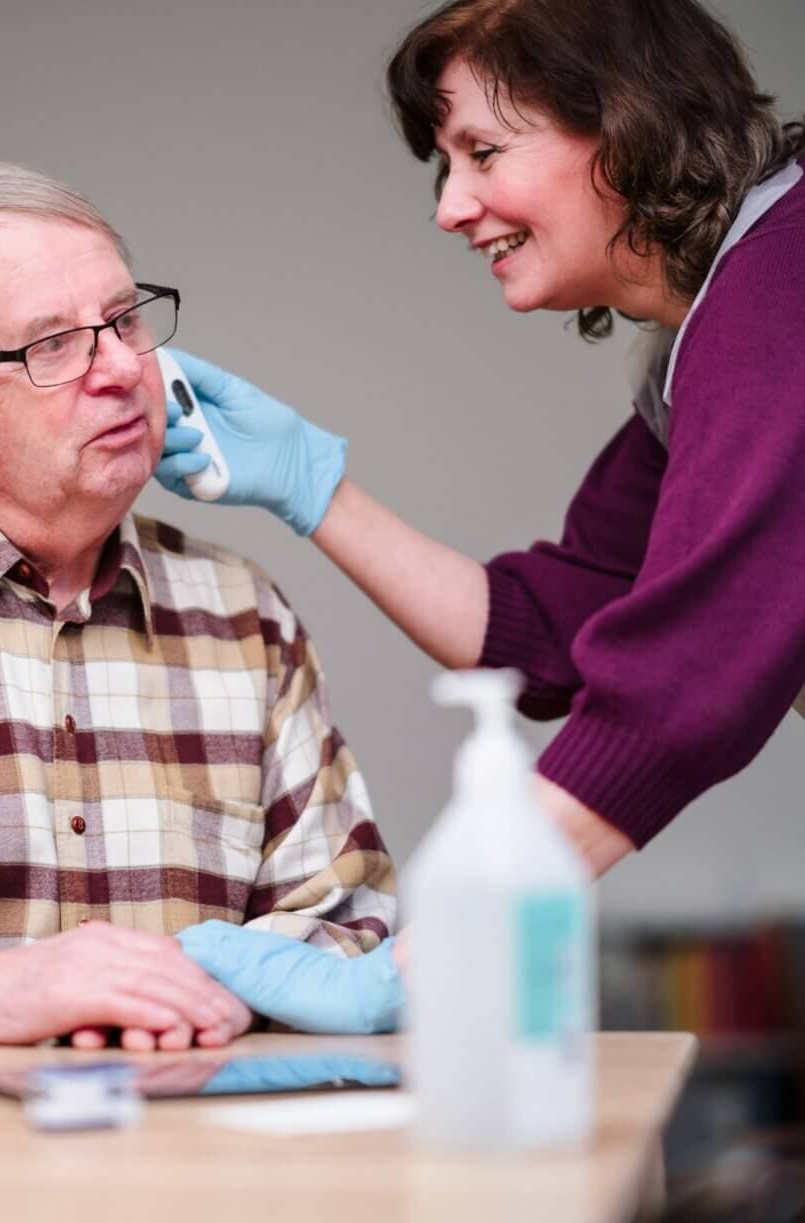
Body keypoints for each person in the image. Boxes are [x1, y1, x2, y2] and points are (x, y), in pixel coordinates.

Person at [158, 0, 805, 1029]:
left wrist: (421, 963)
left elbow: (691, 674)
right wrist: (313, 489)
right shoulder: (707, 340)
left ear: (629, 125)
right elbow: (554, 632)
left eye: (483, 152)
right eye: (441, 165)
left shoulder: (782, 293)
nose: (451, 207)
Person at [0, 159, 396, 1048]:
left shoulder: (243, 615)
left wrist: (213, 995)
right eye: (53, 344)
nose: (122, 367)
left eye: (124, 320)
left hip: (192, 1167)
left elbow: (347, 914)